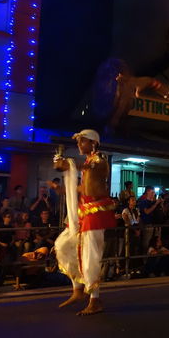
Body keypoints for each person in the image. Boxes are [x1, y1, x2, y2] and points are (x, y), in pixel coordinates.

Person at [53, 129, 116, 316]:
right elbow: (84, 186)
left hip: (95, 213)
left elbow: (90, 169)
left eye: (83, 142)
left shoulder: (99, 161)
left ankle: (95, 300)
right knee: (63, 245)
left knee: (90, 257)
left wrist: (69, 164)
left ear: (93, 143)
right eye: (79, 142)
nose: (79, 145)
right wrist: (62, 190)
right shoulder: (89, 163)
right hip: (84, 212)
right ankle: (78, 290)